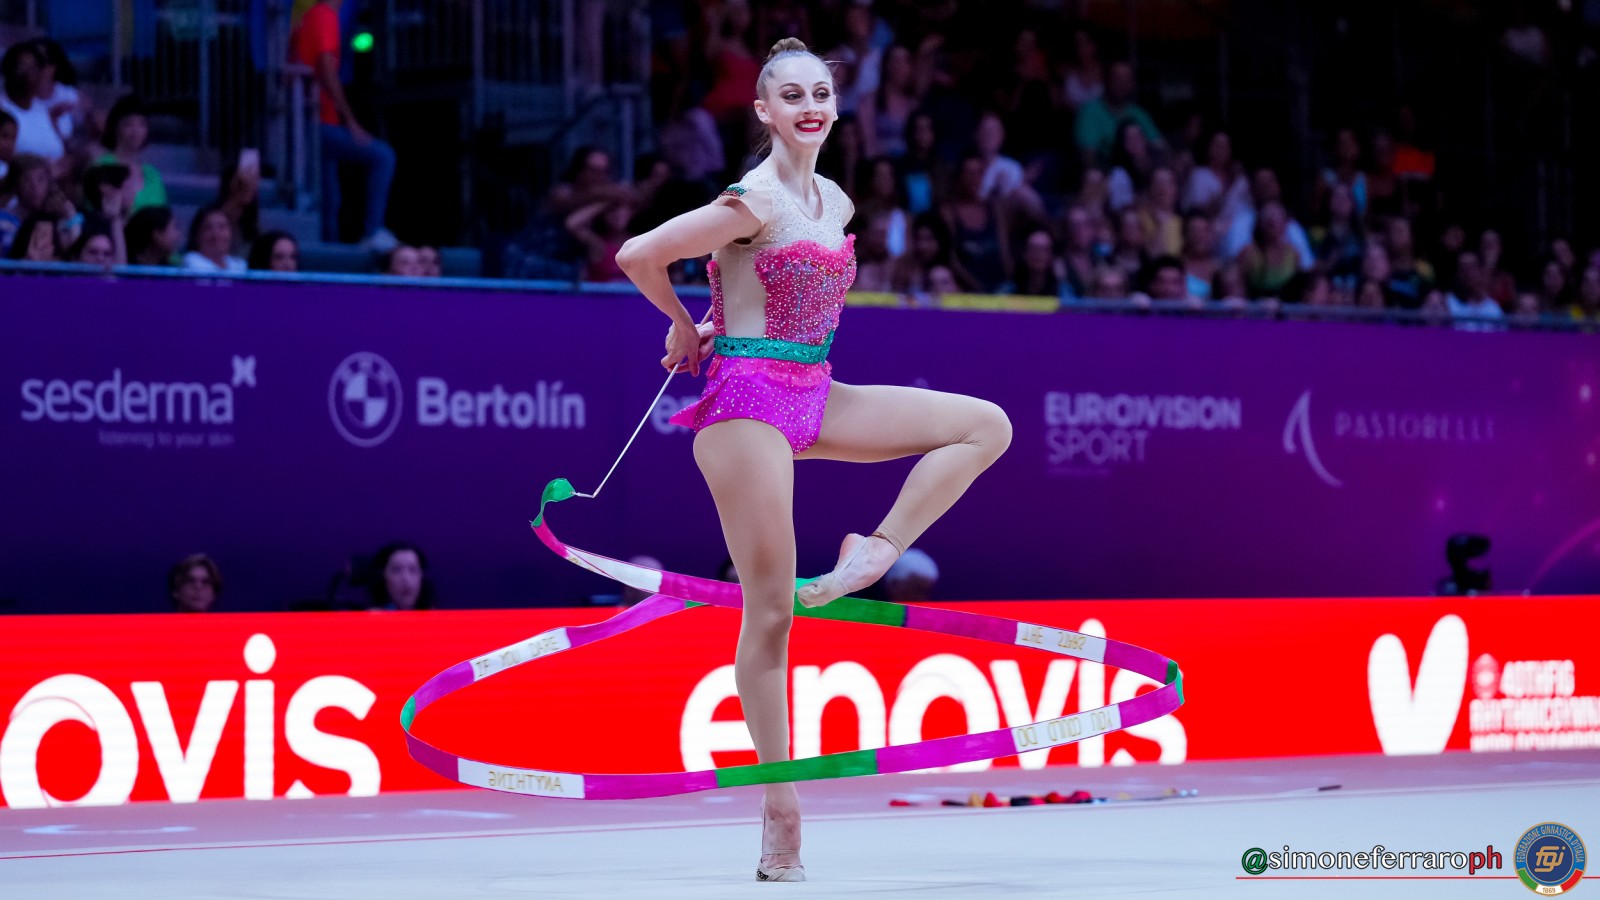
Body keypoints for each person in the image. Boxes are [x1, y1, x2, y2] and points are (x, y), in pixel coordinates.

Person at [613, 38, 1011, 883]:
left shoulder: (835, 200)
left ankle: (877, 551)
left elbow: (767, 293)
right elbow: (638, 253)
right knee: (772, 613)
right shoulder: (751, 196)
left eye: (821, 93)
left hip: (814, 388)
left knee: (986, 426)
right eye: (791, 95)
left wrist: (719, 314)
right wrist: (684, 327)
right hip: (744, 405)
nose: (810, 107)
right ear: (763, 110)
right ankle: (781, 805)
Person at [294, 0, 399, 249]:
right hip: (319, 123)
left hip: (317, 123)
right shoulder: (324, 16)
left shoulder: (314, 16)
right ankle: (373, 231)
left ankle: (329, 256)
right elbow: (327, 69)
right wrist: (351, 121)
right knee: (383, 156)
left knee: (330, 203)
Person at [96, 95, 168, 214]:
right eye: (128, 124)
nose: (136, 131)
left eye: (142, 124)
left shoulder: (152, 174)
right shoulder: (102, 165)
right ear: (115, 127)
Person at [366, 541, 436, 610]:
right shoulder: (369, 616)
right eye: (397, 570)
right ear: (383, 576)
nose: (406, 579)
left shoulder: (435, 615)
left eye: (412, 570)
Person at [181, 203, 246, 272]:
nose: (216, 234)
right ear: (197, 235)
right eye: (208, 228)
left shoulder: (239, 265)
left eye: (222, 227)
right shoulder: (191, 262)